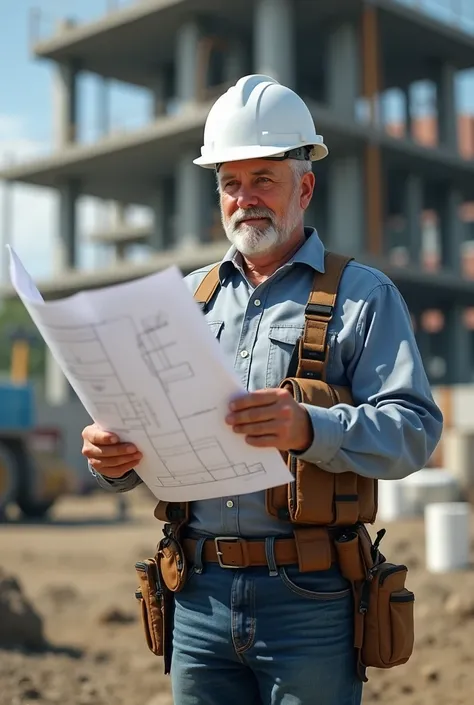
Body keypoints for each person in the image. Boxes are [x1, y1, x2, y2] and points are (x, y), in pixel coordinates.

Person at [81, 75, 443, 705]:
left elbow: (414, 430)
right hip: (194, 596)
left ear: (305, 186)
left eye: (263, 180)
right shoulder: (181, 303)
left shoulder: (365, 296)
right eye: (230, 183)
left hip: (309, 600)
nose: (244, 199)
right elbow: (153, 443)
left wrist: (310, 428)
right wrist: (117, 462)